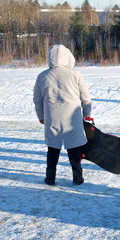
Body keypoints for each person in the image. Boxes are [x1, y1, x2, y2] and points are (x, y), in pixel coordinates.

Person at [33, 44, 93, 186]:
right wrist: (88, 114)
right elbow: (86, 96)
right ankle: (77, 178)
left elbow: (37, 100)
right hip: (72, 118)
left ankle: (50, 178)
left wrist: (41, 116)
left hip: (52, 116)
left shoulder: (42, 76)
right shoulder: (75, 74)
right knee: (74, 148)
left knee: (53, 148)